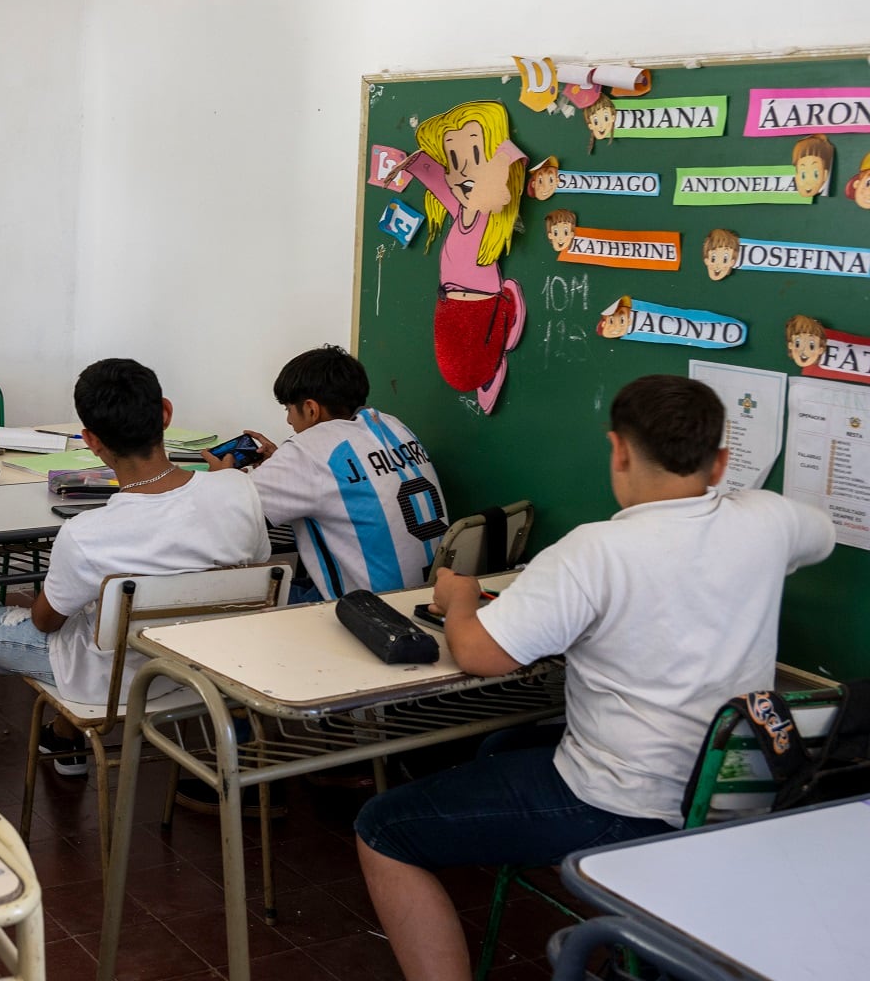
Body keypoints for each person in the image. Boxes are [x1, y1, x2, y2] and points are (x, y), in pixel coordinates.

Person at [353, 374, 833, 981]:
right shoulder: (769, 522)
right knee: (502, 747)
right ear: (721, 462)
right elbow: (822, 533)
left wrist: (461, 598)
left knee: (382, 827)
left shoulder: (593, 553)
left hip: (624, 803)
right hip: (733, 794)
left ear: (620, 451)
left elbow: (478, 654)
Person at [0, 358, 268, 773]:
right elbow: (254, 567)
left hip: (115, 680)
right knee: (98, 608)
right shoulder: (239, 489)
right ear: (165, 414)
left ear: (91, 441)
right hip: (208, 667)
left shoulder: (86, 533)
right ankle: (65, 742)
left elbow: (45, 623)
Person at [212, 346, 446, 603]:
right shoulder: (392, 426)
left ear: (311, 409)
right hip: (428, 595)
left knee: (229, 594)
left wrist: (222, 481)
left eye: (288, 409)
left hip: (367, 609)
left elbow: (227, 513)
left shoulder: (307, 452)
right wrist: (279, 464)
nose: (289, 421)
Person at [391, 101, 528, 413]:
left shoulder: (487, 213)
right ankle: (488, 367)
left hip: (483, 304)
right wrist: (416, 164)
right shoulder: (459, 211)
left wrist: (501, 158)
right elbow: (441, 186)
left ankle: (502, 332)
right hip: (450, 304)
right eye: (454, 160)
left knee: (478, 362)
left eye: (474, 156)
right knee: (453, 367)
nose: (463, 169)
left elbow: (513, 157)